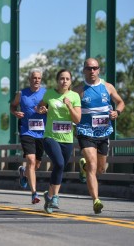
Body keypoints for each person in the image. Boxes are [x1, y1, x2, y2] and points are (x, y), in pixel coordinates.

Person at [73, 58, 125, 214]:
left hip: (103, 132)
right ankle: (96, 200)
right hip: (85, 132)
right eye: (89, 68)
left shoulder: (107, 87)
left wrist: (117, 112)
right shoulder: (79, 90)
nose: (92, 71)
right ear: (84, 70)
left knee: (101, 169)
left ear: (99, 70)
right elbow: (64, 105)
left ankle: (83, 167)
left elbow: (121, 102)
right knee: (93, 165)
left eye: (95, 68)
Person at [37, 69, 81, 214]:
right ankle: (55, 196)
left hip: (67, 139)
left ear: (70, 82)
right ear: (57, 80)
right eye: (62, 78)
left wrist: (69, 105)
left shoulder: (74, 96)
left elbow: (77, 119)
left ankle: (49, 196)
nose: (64, 81)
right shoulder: (49, 93)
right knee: (60, 163)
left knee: (59, 167)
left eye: (67, 79)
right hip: (50, 136)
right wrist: (42, 109)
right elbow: (40, 107)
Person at [10, 68, 47, 204]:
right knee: (31, 160)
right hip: (26, 131)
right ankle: (34, 193)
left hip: (42, 133)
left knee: (36, 164)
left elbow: (53, 109)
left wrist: (46, 110)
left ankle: (24, 172)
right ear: (29, 79)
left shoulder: (46, 93)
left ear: (41, 80)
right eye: (34, 78)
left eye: (38, 78)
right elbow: (13, 106)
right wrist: (15, 113)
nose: (36, 80)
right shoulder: (22, 94)